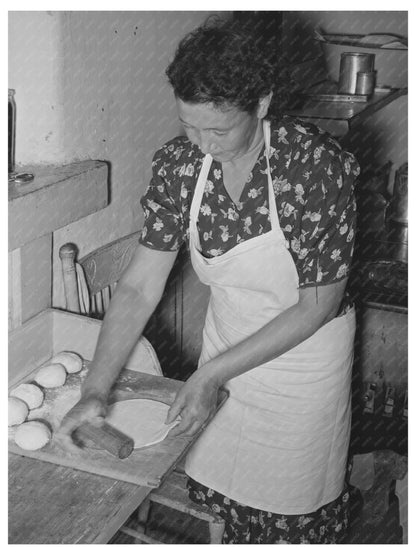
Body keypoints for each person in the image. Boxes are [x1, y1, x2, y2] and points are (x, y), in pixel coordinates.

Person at [58, 16, 360, 544]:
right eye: (189, 125)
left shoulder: (313, 167)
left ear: (262, 103)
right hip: (225, 346)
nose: (202, 143)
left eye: (218, 129)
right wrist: (94, 389)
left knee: (287, 516)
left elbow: (317, 305)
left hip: (302, 368)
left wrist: (209, 376)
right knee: (221, 501)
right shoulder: (180, 166)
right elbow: (138, 287)